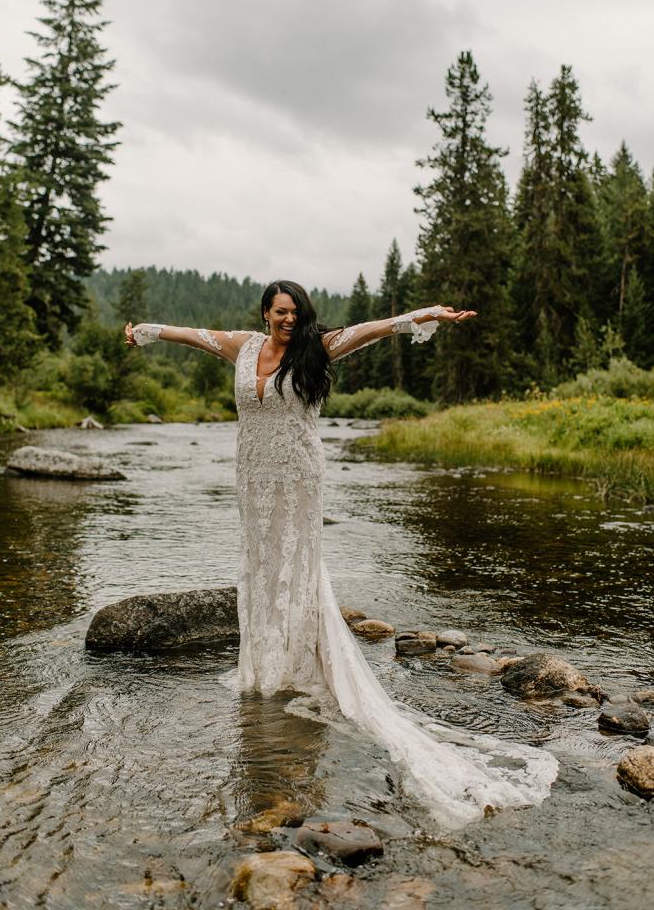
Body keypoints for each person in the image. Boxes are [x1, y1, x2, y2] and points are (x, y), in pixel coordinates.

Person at [125, 280, 557, 827]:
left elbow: (375, 330)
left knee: (296, 568)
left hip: (300, 475)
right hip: (253, 477)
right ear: (264, 313)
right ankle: (263, 667)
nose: (288, 320)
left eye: (295, 312)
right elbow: (190, 336)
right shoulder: (242, 346)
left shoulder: (319, 347)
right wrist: (143, 332)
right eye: (280, 312)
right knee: (260, 568)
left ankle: (299, 662)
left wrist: (427, 315)